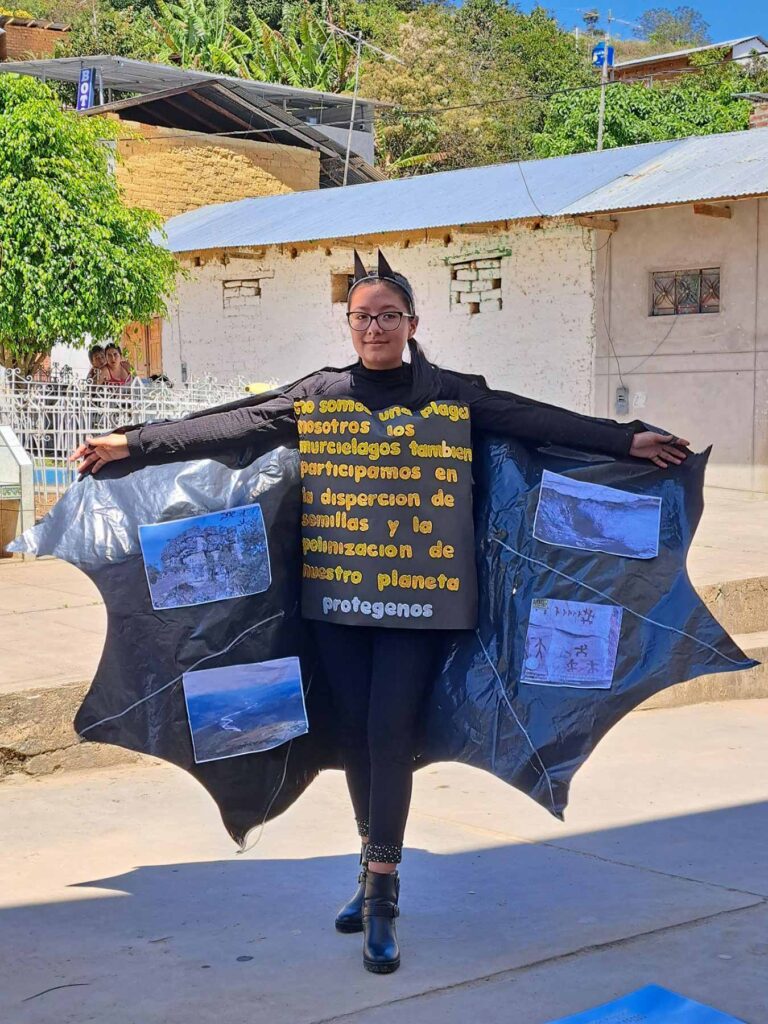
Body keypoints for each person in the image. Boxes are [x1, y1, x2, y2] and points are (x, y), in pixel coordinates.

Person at [71, 252, 688, 975]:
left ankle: (384, 893)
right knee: (360, 737)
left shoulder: (452, 395)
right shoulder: (320, 394)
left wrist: (625, 441)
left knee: (390, 734)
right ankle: (371, 870)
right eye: (362, 316)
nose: (374, 326)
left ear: (412, 324)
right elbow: (231, 423)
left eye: (387, 315)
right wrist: (133, 443)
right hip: (337, 600)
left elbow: (535, 420)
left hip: (422, 603)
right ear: (350, 324)